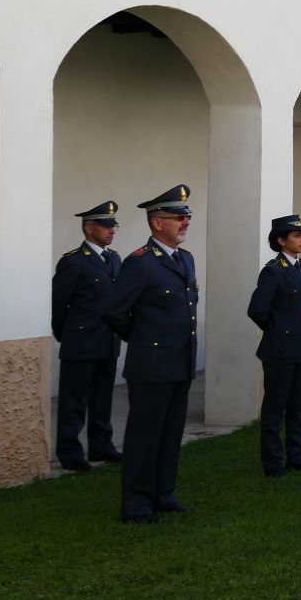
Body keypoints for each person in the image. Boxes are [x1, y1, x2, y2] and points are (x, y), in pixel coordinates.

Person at [105, 185, 199, 524]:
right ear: (157, 223)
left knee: (171, 433)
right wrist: (142, 339)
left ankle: (164, 493)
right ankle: (136, 502)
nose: (185, 222)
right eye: (178, 217)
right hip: (152, 364)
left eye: (187, 217)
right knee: (145, 435)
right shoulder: (140, 263)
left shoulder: (184, 259)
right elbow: (115, 310)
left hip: (180, 362)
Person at [50, 200, 123, 472]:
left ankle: (101, 445)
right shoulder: (74, 261)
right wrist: (65, 334)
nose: (112, 229)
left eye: (114, 225)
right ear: (89, 229)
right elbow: (59, 303)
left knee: (103, 398)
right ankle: (70, 452)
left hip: (108, 340)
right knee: (74, 400)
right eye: (106, 225)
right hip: (80, 342)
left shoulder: (114, 259)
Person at [249, 214, 301, 478]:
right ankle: (273, 461)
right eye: (297, 235)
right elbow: (257, 310)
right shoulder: (273, 271)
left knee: (298, 406)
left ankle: (296, 455)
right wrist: (279, 332)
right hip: (281, 349)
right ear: (281, 240)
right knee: (275, 407)